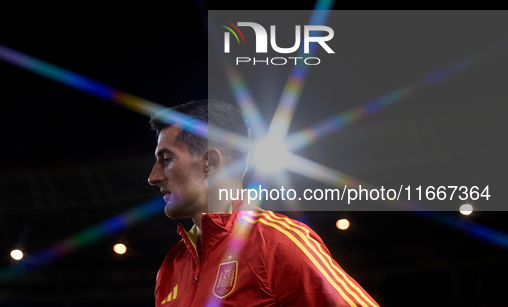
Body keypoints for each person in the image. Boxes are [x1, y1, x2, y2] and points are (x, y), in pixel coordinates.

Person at [148, 99, 379, 306]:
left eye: (166, 159)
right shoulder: (171, 267)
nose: (153, 177)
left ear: (210, 162)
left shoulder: (276, 241)